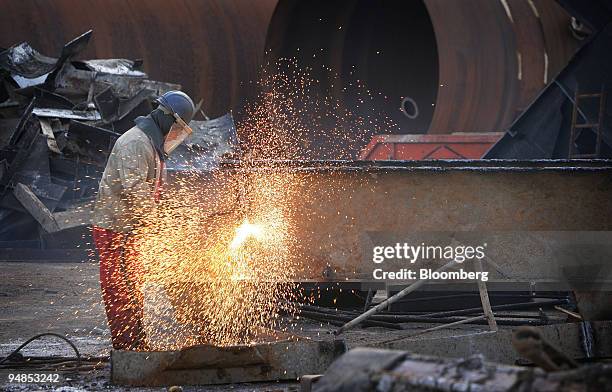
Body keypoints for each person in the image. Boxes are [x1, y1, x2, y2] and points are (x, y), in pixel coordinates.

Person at [91, 91, 195, 350]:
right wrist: (158, 226)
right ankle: (128, 347)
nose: (175, 134)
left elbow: (153, 192)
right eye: (177, 127)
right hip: (116, 228)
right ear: (167, 118)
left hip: (132, 229)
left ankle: (136, 340)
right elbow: (135, 189)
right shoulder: (135, 143)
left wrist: (169, 218)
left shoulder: (152, 144)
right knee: (121, 289)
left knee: (133, 285)